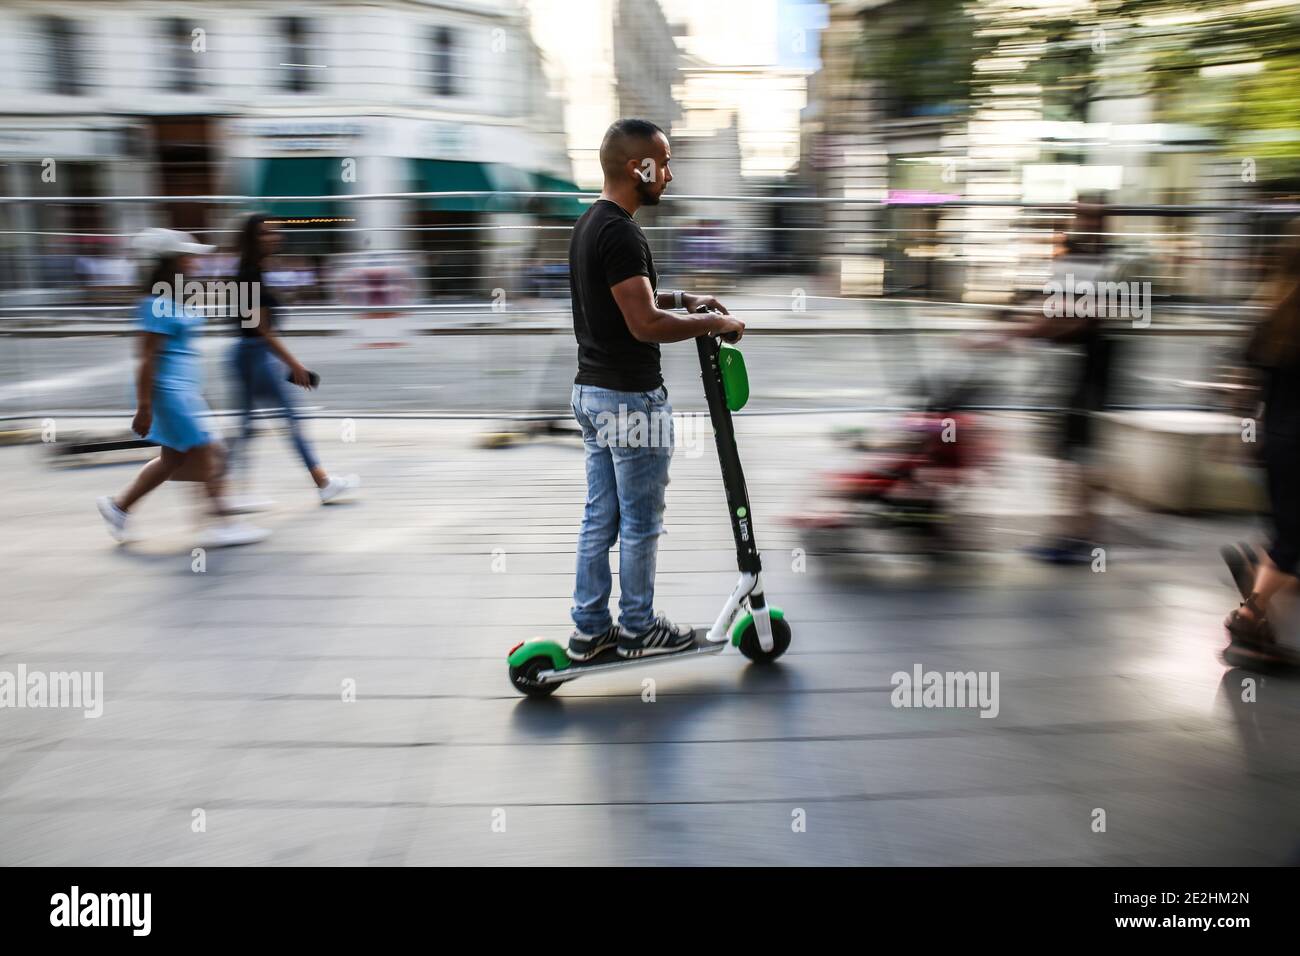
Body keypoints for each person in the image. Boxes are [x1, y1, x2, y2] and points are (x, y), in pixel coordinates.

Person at [566, 118, 746, 662]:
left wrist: (685, 298)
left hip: (592, 394)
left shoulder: (591, 224)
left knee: (601, 516)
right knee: (642, 521)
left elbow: (626, 296)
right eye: (663, 162)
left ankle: (590, 628)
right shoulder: (622, 232)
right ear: (635, 167)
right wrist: (714, 324)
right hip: (629, 399)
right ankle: (640, 628)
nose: (669, 173)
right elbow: (642, 323)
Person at [96, 229, 268, 547]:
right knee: (206, 449)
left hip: (185, 390)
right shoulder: (155, 303)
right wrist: (145, 406)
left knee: (173, 460)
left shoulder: (173, 296)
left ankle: (118, 507)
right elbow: (146, 358)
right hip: (170, 392)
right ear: (168, 261)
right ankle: (218, 523)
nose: (195, 260)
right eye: (187, 255)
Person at [983, 199, 1117, 563]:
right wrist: (1019, 318)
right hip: (1079, 366)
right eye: (1080, 216)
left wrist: (1010, 334)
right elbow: (1056, 304)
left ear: (1102, 222)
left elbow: (1071, 318)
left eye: (1090, 217)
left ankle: (1077, 534)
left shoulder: (1093, 260)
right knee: (1072, 454)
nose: (1082, 223)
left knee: (1075, 455)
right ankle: (1078, 532)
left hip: (1086, 367)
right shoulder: (1083, 256)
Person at [226, 214, 357, 504]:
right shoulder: (249, 274)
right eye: (264, 234)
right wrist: (295, 366)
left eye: (274, 232)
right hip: (255, 355)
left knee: (247, 427)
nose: (273, 237)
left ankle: (232, 493)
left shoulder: (253, 270)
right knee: (292, 419)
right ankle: (323, 483)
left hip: (247, 354)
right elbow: (262, 329)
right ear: (251, 239)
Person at [1222, 221, 1300, 665]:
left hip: (1277, 441)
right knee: (1293, 539)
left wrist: (1246, 434)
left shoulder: (1270, 309)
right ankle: (1250, 613)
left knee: (1288, 532)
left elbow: (1244, 383)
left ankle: (1259, 572)